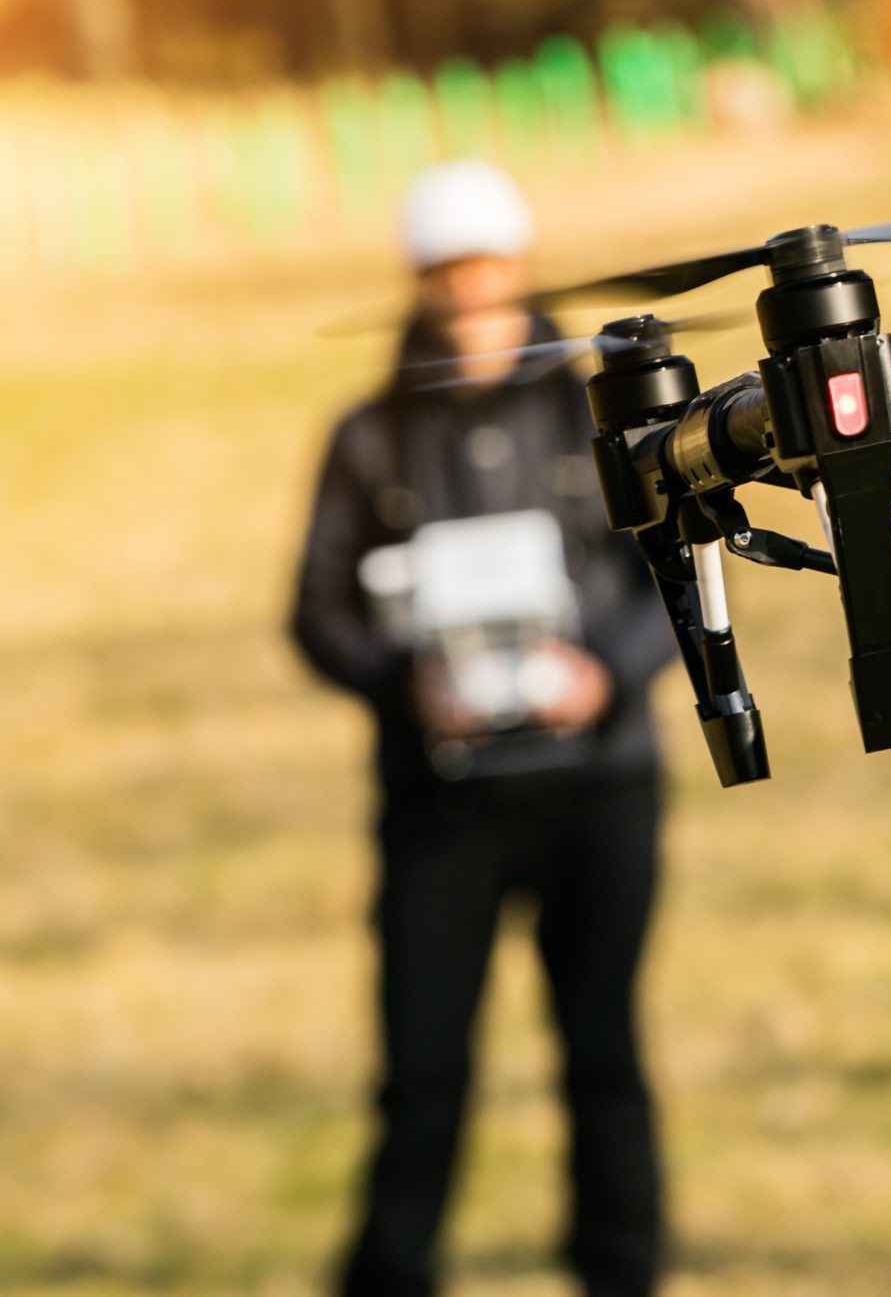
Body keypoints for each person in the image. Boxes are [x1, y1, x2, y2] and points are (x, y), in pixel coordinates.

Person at [289, 159, 678, 1297]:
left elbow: (676, 573)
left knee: (602, 1054)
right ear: (417, 283)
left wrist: (600, 674)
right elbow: (314, 612)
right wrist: (407, 687)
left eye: (486, 269)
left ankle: (622, 1271)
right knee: (422, 1077)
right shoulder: (368, 438)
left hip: (598, 787)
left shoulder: (601, 407)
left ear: (519, 269)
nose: (468, 293)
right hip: (441, 804)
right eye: (445, 274)